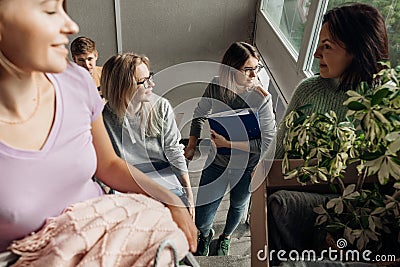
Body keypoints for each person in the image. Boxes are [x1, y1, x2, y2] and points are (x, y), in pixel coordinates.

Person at [0, 1, 197, 266]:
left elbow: (108, 164)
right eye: (49, 10)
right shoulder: (109, 111)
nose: (70, 26)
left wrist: (171, 198)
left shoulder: (78, 84)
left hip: (106, 230)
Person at [267, 2, 389, 260]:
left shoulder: (386, 104)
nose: (315, 54)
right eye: (319, 44)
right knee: (281, 204)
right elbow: (278, 161)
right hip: (305, 203)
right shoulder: (308, 91)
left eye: (327, 46)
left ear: (358, 50)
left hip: (363, 211)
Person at [185, 41, 276, 256]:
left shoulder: (262, 97)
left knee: (238, 206)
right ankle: (205, 235)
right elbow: (199, 113)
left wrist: (229, 143)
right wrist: (191, 144)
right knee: (204, 212)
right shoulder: (217, 86)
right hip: (218, 161)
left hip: (247, 167)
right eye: (248, 70)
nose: (254, 76)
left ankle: (226, 237)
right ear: (232, 70)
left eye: (257, 68)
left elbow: (267, 141)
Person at [101, 52, 195, 219]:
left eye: (149, 76)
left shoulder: (161, 107)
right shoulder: (103, 117)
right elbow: (103, 163)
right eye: (143, 81)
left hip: (164, 181)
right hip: (126, 184)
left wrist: (188, 192)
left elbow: (173, 149)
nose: (152, 83)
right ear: (123, 86)